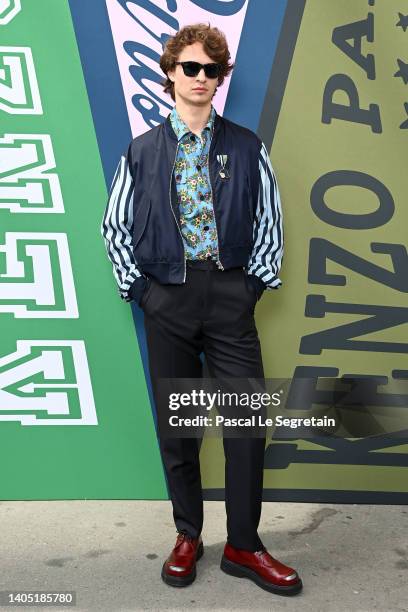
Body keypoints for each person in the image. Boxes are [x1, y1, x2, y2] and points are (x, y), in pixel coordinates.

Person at [100, 23, 302, 596]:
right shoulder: (142, 151)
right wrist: (143, 293)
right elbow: (114, 226)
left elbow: (271, 222)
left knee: (244, 426)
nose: (201, 79)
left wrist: (251, 288)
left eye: (211, 70)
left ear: (221, 77)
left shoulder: (245, 145)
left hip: (230, 295)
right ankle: (188, 534)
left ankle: (244, 544)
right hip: (167, 297)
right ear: (170, 73)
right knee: (179, 427)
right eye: (190, 68)